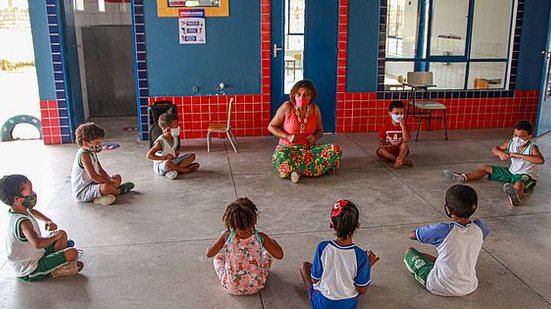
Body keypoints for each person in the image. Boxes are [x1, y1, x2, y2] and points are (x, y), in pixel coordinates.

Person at [404, 184, 489, 296]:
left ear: (447, 209)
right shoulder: (481, 227)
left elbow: (412, 235)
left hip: (438, 285)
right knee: (453, 254)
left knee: (409, 252)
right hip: (470, 285)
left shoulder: (443, 230)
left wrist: (433, 229)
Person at [0, 174, 83, 281]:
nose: (33, 193)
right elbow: (38, 243)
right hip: (31, 268)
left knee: (62, 234)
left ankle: (56, 260)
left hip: (36, 254)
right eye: (30, 191)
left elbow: (32, 211)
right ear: (18, 199)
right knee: (72, 252)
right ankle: (56, 269)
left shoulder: (18, 210)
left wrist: (47, 220)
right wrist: (54, 237)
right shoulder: (23, 223)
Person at [442, 120, 545, 206]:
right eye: (515, 135)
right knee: (486, 168)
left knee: (520, 184)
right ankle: (463, 177)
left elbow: (540, 160)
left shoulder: (532, 147)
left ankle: (515, 196)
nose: (517, 139)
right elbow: (494, 149)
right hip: (511, 172)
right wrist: (500, 153)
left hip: (526, 175)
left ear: (529, 136)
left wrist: (520, 156)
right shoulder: (511, 143)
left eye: (522, 136)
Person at [300, 199, 379, 308]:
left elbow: (315, 279)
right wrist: (368, 265)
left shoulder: (323, 247)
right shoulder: (361, 255)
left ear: (331, 224)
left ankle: (312, 296)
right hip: (348, 305)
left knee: (305, 266)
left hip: (323, 304)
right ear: (357, 225)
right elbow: (361, 289)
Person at [268, 80, 342, 183]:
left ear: (311, 96)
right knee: (281, 156)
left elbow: (320, 130)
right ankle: (318, 169)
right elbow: (271, 127)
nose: (301, 98)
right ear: (293, 95)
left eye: (305, 95)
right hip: (288, 149)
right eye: (298, 95)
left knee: (335, 149)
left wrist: (314, 137)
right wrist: (287, 136)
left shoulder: (315, 109)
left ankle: (298, 171)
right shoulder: (287, 107)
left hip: (308, 150)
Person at [206, 197, 284, 295]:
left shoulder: (226, 236)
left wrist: (212, 245)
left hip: (232, 288)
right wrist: (273, 242)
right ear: (254, 219)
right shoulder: (260, 237)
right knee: (267, 255)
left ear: (230, 222)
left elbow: (209, 253)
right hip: (256, 286)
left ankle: (228, 277)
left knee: (218, 257)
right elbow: (279, 255)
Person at [71, 122, 134, 206]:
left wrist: (109, 180)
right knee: (106, 187)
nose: (99, 145)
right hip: (83, 191)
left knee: (117, 177)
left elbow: (100, 170)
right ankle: (118, 191)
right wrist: (108, 183)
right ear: (86, 143)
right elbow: (93, 176)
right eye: (97, 142)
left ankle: (107, 193)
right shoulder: (84, 155)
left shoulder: (92, 152)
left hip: (93, 183)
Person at [146, 113, 199, 180]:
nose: (178, 128)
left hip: (173, 161)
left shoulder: (174, 137)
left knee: (192, 156)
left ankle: (173, 170)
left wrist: (175, 153)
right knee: (168, 163)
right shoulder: (160, 142)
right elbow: (149, 156)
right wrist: (164, 158)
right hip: (162, 165)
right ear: (168, 129)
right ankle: (185, 170)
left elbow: (171, 149)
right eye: (176, 126)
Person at [377, 101, 413, 168]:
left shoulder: (404, 125)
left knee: (405, 145)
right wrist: (382, 143)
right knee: (380, 151)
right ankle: (400, 161)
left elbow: (406, 140)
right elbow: (381, 138)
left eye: (401, 113)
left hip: (401, 150)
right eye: (396, 113)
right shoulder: (386, 125)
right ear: (390, 113)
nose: (399, 116)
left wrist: (403, 126)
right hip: (389, 149)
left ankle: (399, 159)